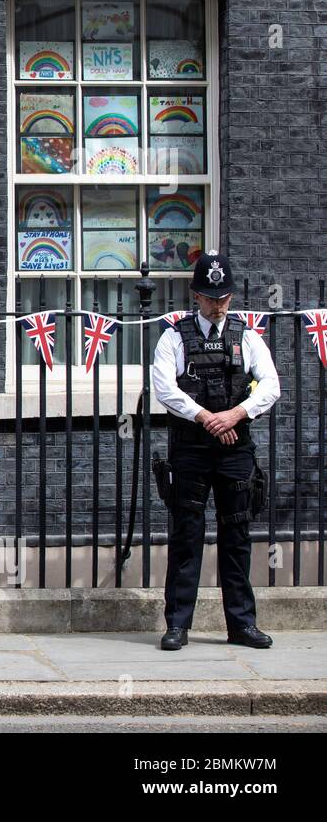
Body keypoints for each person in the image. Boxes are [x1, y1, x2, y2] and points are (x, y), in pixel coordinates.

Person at [150, 250, 280, 651]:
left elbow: (272, 386)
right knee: (186, 535)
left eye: (223, 297)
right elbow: (164, 389)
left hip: (234, 448)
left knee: (237, 536)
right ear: (196, 295)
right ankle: (178, 625)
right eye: (210, 297)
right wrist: (208, 418)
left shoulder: (247, 336)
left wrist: (236, 414)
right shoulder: (174, 337)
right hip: (191, 448)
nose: (218, 304)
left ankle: (241, 624)